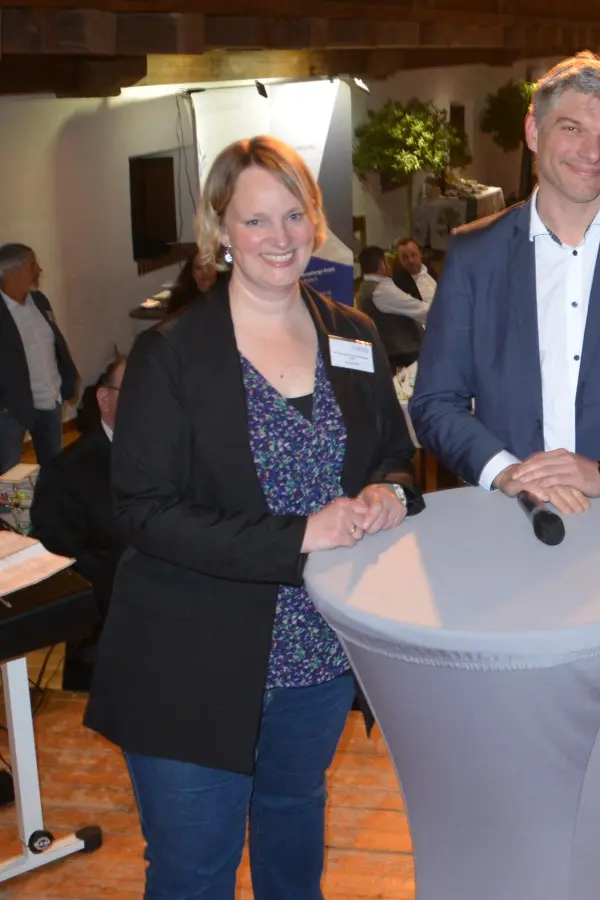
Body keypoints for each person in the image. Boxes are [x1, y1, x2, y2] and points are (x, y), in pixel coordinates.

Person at [409, 53, 600, 900]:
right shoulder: (476, 253)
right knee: (518, 721)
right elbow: (434, 401)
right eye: (573, 129)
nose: (592, 150)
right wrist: (509, 471)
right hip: (511, 535)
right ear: (533, 132)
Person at [83, 134, 421, 899]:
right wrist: (300, 535)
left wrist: (390, 494)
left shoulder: (353, 333)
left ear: (316, 219)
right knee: (196, 873)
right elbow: (144, 512)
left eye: (293, 215)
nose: (279, 237)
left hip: (318, 655)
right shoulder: (171, 355)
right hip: (192, 658)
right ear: (221, 230)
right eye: (256, 219)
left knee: (293, 844)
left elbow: (394, 456)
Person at [31, 352, 128, 691]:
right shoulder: (68, 472)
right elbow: (59, 557)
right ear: (104, 398)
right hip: (105, 637)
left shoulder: (176, 456)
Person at [0, 243, 79, 472]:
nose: (39, 270)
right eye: (31, 266)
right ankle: (17, 500)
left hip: (49, 399)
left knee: (54, 467)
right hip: (11, 408)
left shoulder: (40, 301)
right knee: (12, 473)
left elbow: (56, 343)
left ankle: (47, 497)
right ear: (11, 273)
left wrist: (69, 380)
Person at [355, 245, 426, 370]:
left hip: (387, 352)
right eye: (387, 262)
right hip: (403, 354)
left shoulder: (364, 287)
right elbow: (420, 309)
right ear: (382, 265)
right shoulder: (381, 290)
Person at [163, 252, 222, 317]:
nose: (205, 273)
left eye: (209, 267)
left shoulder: (225, 295)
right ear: (192, 271)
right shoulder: (181, 300)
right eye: (199, 268)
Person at [391, 236, 439, 305]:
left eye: (413, 255)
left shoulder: (430, 270)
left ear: (420, 253)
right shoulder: (397, 284)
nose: (411, 260)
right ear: (399, 260)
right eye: (405, 257)